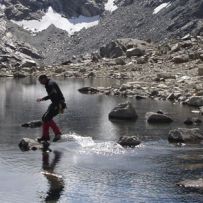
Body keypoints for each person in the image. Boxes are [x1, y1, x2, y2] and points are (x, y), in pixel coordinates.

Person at [37, 75, 66, 142]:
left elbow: (54, 94)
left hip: (58, 103)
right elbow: (52, 94)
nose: (40, 83)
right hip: (56, 103)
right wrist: (42, 99)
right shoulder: (49, 83)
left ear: (44, 79)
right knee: (44, 118)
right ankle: (45, 137)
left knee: (47, 118)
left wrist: (57, 106)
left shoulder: (50, 84)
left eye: (40, 81)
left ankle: (57, 134)